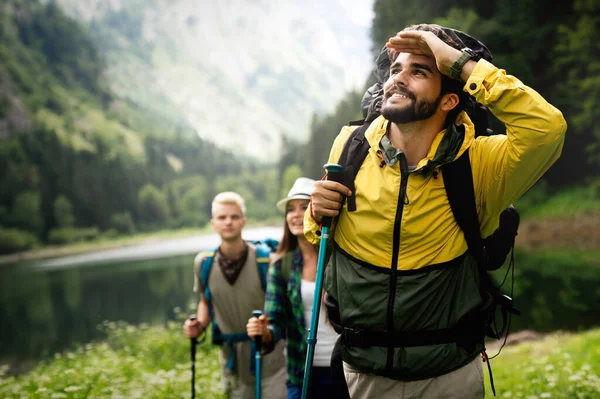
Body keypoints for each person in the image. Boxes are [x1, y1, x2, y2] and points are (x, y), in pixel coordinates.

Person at [304, 24, 567, 399]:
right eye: (396, 69)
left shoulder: (480, 163)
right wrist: (315, 213)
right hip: (362, 373)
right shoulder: (351, 145)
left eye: (420, 71)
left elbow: (547, 129)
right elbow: (320, 230)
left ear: (449, 100)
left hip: (450, 378)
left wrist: (459, 63)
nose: (398, 79)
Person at [183, 191, 287, 399]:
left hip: (271, 356)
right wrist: (199, 325)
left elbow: (283, 307)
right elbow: (205, 300)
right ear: (213, 223)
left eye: (234, 217)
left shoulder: (266, 260)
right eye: (222, 217)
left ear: (243, 221)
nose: (228, 222)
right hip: (231, 360)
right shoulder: (203, 263)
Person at [246, 177, 341, 399]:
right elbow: (276, 321)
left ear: (317, 211)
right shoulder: (282, 265)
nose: (296, 215)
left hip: (345, 369)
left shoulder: (341, 257)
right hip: (302, 371)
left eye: (303, 207)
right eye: (290, 209)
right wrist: (264, 333)